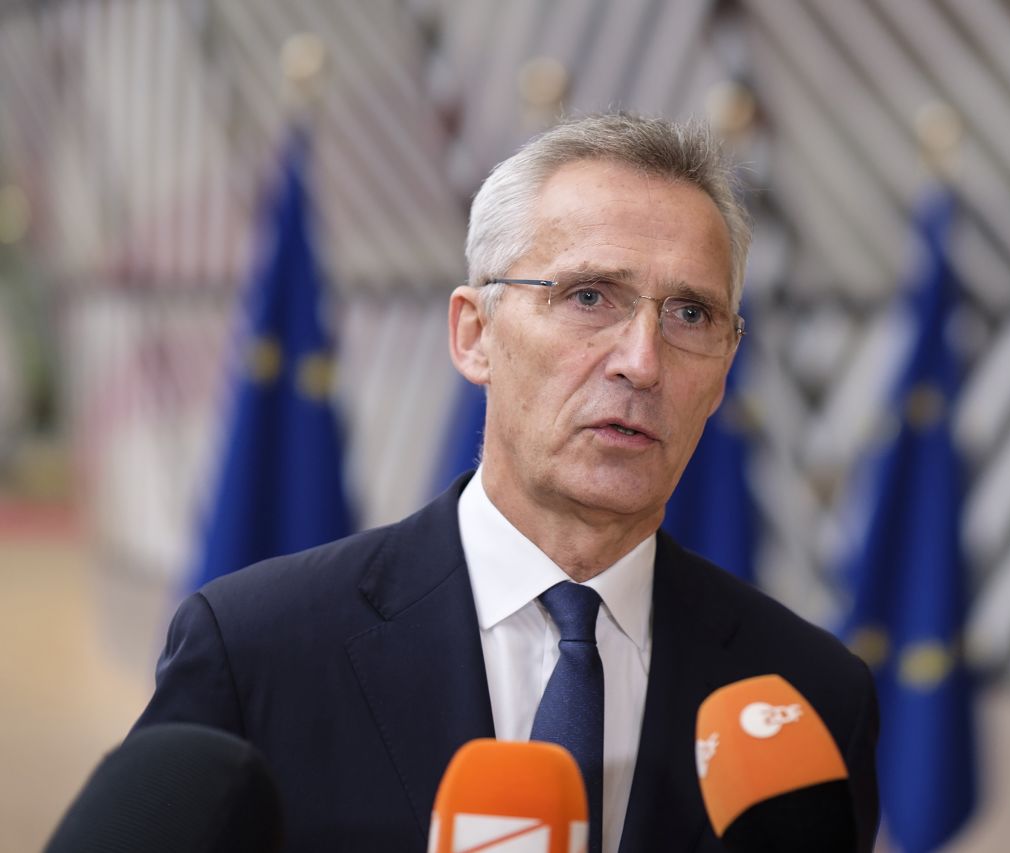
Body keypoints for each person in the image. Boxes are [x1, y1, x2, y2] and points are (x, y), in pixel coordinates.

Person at [133, 113, 879, 853]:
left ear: (723, 374)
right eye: (590, 296)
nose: (643, 361)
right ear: (475, 333)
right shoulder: (256, 649)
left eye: (691, 313)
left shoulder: (810, 702)